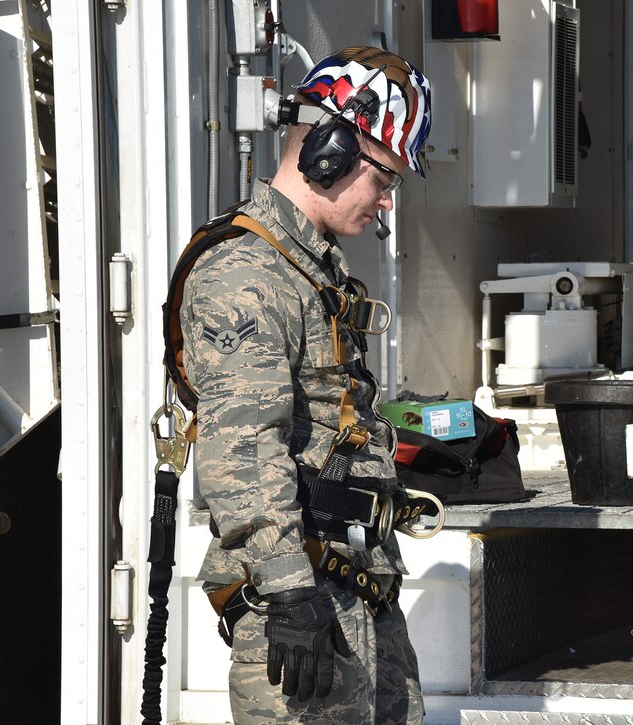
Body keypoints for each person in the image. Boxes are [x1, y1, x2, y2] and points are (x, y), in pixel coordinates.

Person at [179, 46, 431, 724]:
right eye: (384, 177)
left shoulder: (309, 272)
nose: (385, 201)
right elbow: (244, 449)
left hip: (354, 591)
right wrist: (291, 594)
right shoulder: (248, 275)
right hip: (301, 608)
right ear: (330, 151)